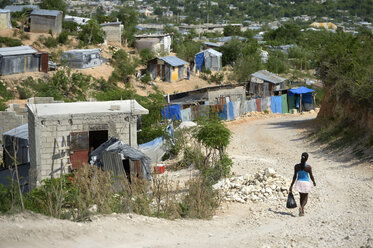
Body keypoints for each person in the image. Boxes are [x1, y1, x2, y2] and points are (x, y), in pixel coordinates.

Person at [289, 152, 316, 216]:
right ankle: (301, 207)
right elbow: (311, 176)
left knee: (301, 197)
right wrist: (314, 182)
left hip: (299, 183)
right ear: (307, 159)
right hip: (306, 183)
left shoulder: (296, 166)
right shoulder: (308, 167)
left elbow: (294, 176)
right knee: (305, 198)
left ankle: (302, 212)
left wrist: (291, 185)